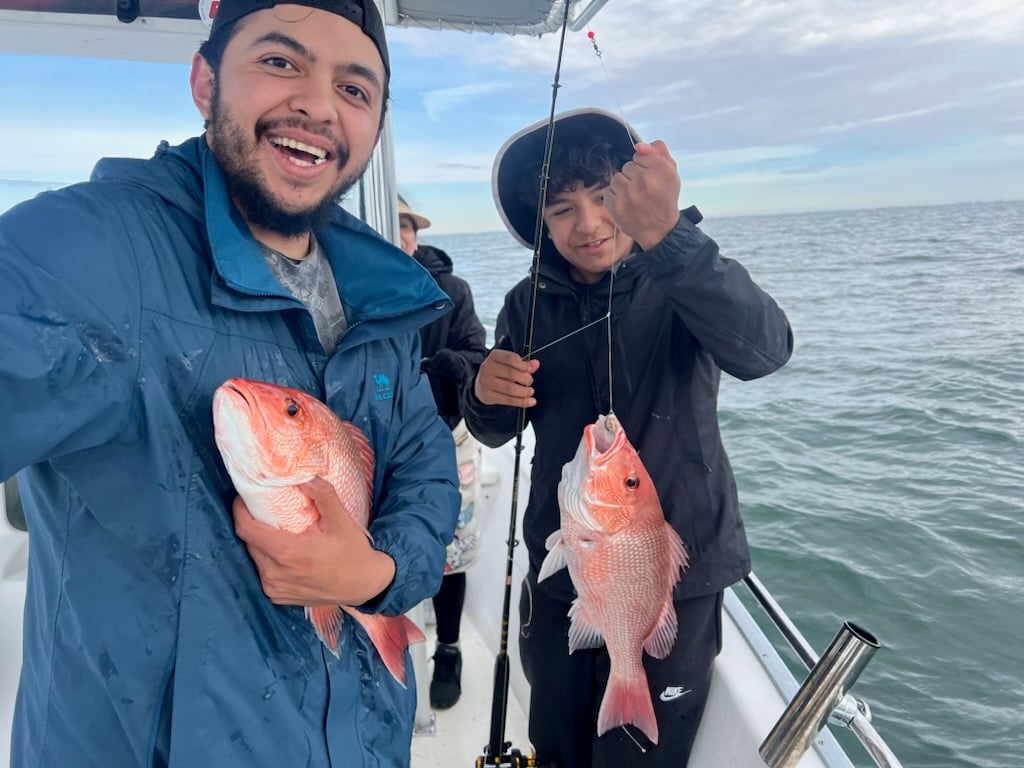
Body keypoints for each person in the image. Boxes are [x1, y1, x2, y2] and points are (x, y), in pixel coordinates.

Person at [0, 2, 461, 766]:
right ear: (205, 78)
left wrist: (377, 575)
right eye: (280, 62)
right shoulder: (91, 249)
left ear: (374, 128)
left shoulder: (381, 293)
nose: (317, 104)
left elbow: (422, 467)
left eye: (355, 89)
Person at [461, 107, 794, 767]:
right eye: (560, 209)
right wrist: (483, 392)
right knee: (554, 741)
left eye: (604, 197)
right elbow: (499, 427)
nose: (586, 223)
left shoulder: (684, 280)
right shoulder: (528, 304)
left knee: (638, 757)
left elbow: (765, 349)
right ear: (540, 225)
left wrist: (669, 238)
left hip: (673, 576)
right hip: (568, 572)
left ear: (636, 196)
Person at [397, 194, 488, 709]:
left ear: (415, 232)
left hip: (446, 437)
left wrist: (442, 363)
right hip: (380, 443)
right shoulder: (354, 287)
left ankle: (447, 649)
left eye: (406, 226)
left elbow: (479, 355)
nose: (400, 235)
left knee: (449, 551)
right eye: (391, 225)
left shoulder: (452, 291)